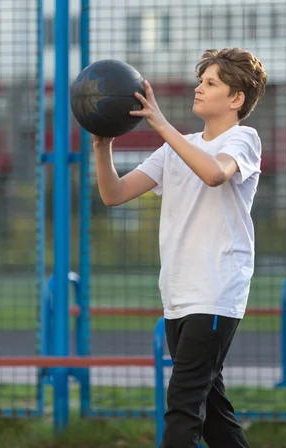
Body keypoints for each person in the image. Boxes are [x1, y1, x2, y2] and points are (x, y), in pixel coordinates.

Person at [92, 47, 267, 448]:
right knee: (215, 416)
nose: (199, 89)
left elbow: (213, 174)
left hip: (216, 292)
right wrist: (103, 145)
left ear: (236, 99)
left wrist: (160, 123)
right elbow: (114, 194)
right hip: (178, 294)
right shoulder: (175, 148)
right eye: (200, 81)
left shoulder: (243, 140)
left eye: (211, 83)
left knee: (183, 408)